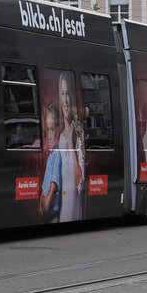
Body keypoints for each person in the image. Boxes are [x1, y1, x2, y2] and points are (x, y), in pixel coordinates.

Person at [56, 72, 86, 221]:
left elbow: (80, 183)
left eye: (67, 94)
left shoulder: (79, 133)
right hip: (63, 214)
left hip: (76, 212)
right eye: (62, 94)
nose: (65, 100)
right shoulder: (58, 137)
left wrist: (73, 146)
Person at [38, 103, 62, 223]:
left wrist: (44, 205)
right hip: (47, 216)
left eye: (52, 130)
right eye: (47, 130)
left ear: (57, 131)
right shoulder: (50, 157)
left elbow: (52, 187)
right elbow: (44, 188)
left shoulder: (57, 155)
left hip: (52, 216)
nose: (49, 136)